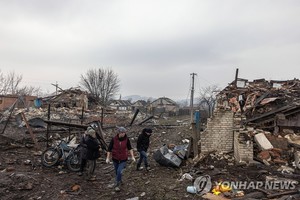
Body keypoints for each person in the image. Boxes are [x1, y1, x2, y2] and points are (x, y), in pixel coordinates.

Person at [106, 127, 136, 192]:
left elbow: (130, 148)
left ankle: (117, 184)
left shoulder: (127, 139)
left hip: (123, 158)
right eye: (122, 133)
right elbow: (109, 149)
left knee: (119, 171)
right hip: (115, 158)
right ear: (118, 133)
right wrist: (107, 158)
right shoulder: (114, 139)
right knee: (117, 172)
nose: (123, 134)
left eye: (124, 133)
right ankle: (120, 179)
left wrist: (132, 156)